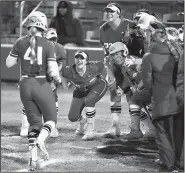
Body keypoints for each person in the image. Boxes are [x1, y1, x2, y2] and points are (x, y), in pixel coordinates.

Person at [6, 11, 61, 171]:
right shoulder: (48, 44)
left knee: (34, 123)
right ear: (43, 25)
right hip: (41, 83)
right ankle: (42, 139)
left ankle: (33, 159)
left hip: (24, 84)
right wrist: (57, 80)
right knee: (51, 120)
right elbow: (52, 70)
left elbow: (9, 63)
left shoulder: (19, 42)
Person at [99, 3, 153, 139]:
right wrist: (109, 70)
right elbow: (104, 51)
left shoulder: (130, 25)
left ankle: (150, 127)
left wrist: (138, 63)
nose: (108, 13)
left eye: (111, 11)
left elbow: (142, 46)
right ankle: (115, 125)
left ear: (118, 13)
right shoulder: (103, 29)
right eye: (106, 11)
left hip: (132, 64)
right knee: (117, 94)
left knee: (135, 97)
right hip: (116, 65)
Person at [141, 22, 184, 172]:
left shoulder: (148, 57)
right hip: (178, 100)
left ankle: (169, 165)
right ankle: (180, 163)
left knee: (163, 134)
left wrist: (154, 93)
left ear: (152, 39)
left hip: (160, 100)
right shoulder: (176, 53)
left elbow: (147, 83)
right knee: (178, 134)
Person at [20, 28, 68, 138]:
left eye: (54, 39)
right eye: (50, 39)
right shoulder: (35, 46)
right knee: (29, 99)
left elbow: (60, 64)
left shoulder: (60, 48)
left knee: (52, 99)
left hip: (50, 75)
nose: (53, 41)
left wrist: (53, 79)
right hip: (34, 75)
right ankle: (25, 125)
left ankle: (52, 126)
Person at [108, 42, 155, 140]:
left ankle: (136, 131)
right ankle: (152, 129)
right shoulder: (123, 66)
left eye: (117, 54)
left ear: (124, 52)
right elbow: (129, 82)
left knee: (134, 101)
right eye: (113, 55)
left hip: (153, 88)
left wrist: (139, 85)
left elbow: (149, 71)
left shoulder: (133, 61)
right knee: (131, 99)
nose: (115, 57)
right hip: (146, 90)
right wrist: (123, 91)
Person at [61, 50, 108, 141]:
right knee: (72, 117)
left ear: (86, 61)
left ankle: (90, 131)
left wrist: (108, 79)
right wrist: (65, 85)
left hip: (97, 85)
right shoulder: (68, 70)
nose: (79, 60)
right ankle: (83, 122)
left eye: (82, 58)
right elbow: (62, 74)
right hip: (81, 90)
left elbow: (104, 66)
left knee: (89, 101)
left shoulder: (94, 67)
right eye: (77, 58)